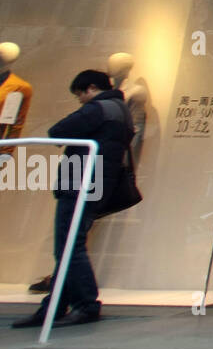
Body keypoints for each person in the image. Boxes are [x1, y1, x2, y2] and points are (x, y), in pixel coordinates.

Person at [11, 70, 133, 329]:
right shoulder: (121, 110)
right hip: (99, 184)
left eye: (79, 94)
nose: (79, 100)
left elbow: (59, 130)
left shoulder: (99, 109)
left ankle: (86, 304)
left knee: (69, 247)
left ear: (90, 88)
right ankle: (53, 307)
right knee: (70, 247)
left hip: (81, 183)